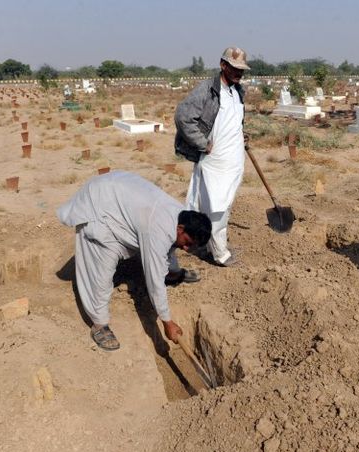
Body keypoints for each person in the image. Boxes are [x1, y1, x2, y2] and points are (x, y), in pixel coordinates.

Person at [57, 171, 212, 351]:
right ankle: (99, 324)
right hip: (99, 208)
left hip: (118, 195)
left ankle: (173, 273)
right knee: (101, 272)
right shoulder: (157, 228)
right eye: (188, 243)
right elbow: (154, 280)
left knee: (164, 247)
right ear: (180, 228)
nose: (187, 249)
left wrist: (174, 272)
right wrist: (167, 321)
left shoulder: (180, 216)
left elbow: (168, 247)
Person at [174, 46, 250, 267]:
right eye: (235, 68)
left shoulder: (238, 91)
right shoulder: (207, 90)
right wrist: (201, 143)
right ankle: (220, 254)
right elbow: (183, 117)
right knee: (216, 209)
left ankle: (201, 241)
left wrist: (240, 135)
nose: (239, 73)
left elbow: (231, 121)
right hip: (215, 163)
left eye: (242, 70)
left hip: (233, 162)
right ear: (223, 65)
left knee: (220, 206)